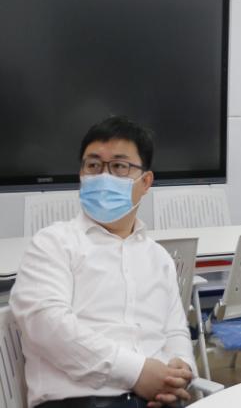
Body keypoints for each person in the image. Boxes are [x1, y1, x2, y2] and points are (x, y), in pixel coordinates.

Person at [11, 116, 196, 408]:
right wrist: (137, 373)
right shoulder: (53, 243)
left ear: (146, 182)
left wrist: (180, 371)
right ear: (81, 175)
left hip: (158, 399)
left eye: (119, 166)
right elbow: (48, 326)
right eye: (94, 165)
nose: (104, 177)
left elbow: (175, 331)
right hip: (78, 401)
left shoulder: (158, 258)